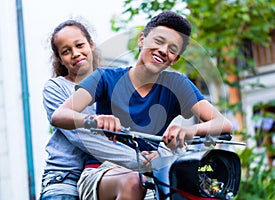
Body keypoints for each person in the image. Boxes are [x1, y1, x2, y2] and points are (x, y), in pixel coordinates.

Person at [51, 11, 233, 199]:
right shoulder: (105, 78)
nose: (163, 50)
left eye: (172, 49)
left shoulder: (177, 84)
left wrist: (189, 131)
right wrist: (94, 120)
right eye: (158, 41)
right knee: (132, 182)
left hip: (149, 174)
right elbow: (60, 116)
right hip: (103, 172)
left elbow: (223, 124)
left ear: (175, 59)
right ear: (141, 40)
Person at [40, 19, 147, 200]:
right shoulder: (55, 88)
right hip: (66, 178)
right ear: (60, 59)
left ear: (91, 45)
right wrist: (141, 161)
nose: (75, 53)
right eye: (66, 51)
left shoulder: (110, 84)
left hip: (107, 172)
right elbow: (83, 136)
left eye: (80, 45)